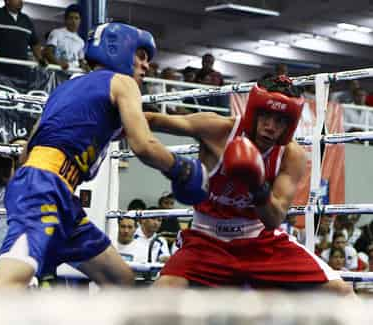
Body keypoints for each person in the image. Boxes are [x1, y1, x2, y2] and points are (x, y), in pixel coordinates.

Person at [0, 22, 208, 292]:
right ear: (121, 49)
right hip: (44, 189)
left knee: (120, 279)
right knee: (8, 284)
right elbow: (143, 144)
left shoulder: (68, 88)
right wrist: (180, 168)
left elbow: (25, 153)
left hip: (55, 194)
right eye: (141, 55)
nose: (146, 65)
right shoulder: (123, 83)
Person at [146, 75, 353, 294]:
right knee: (160, 295)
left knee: (342, 292)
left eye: (280, 120)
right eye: (266, 116)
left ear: (289, 125)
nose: (271, 127)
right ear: (254, 112)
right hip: (205, 240)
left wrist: (257, 185)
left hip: (259, 242)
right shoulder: (219, 130)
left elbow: (274, 218)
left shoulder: (291, 156)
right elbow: (153, 120)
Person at [43, 4, 89, 72]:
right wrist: (59, 63)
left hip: (73, 76)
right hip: (57, 74)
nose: (74, 21)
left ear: (80, 21)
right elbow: (47, 53)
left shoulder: (81, 41)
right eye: (71, 18)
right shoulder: (56, 33)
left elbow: (81, 60)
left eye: (76, 18)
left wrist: (85, 66)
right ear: (65, 20)